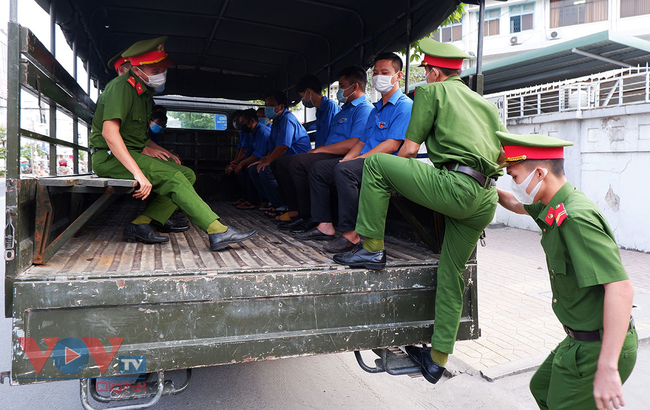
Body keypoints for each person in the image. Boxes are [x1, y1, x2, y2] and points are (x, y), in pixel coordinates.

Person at [333, 39, 506, 383]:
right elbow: (501, 156)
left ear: (433, 71)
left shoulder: (430, 94)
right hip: (484, 198)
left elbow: (409, 151)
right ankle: (437, 359)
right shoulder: (485, 105)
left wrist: (385, 187)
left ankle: (371, 249)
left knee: (378, 165)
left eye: (426, 72)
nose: (426, 77)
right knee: (452, 272)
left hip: (454, 187)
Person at [495, 131, 637, 410]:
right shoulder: (554, 206)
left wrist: (607, 368)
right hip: (580, 337)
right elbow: (515, 203)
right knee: (542, 388)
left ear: (538, 173)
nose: (514, 183)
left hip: (599, 346)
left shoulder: (574, 218)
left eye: (514, 176)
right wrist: (485, 187)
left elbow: (621, 289)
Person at [89, 36, 256, 250]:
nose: (161, 75)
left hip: (129, 153)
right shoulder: (121, 88)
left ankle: (141, 223)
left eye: (162, 70)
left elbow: (137, 136)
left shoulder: (143, 93)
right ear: (138, 69)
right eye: (155, 71)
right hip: (109, 158)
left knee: (186, 173)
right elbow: (110, 135)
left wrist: (160, 150)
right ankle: (217, 230)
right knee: (174, 177)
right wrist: (138, 174)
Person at [295, 53, 412, 253]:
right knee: (319, 169)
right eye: (375, 73)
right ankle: (324, 224)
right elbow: (362, 141)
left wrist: (356, 160)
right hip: (364, 159)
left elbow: (392, 144)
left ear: (398, 76)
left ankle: (352, 233)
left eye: (385, 72)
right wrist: (347, 159)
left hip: (385, 164)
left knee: (345, 171)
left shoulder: (404, 106)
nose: (378, 77)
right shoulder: (376, 110)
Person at [273, 67, 373, 233]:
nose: (339, 90)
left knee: (299, 164)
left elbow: (354, 143)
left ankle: (309, 216)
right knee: (281, 163)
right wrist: (318, 151)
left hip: (343, 154)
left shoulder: (363, 109)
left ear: (354, 87)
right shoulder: (344, 110)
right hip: (329, 151)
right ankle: (296, 212)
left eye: (342, 85)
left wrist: (318, 151)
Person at [248, 90, 311, 214]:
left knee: (266, 170)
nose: (267, 109)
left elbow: (283, 147)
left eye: (270, 105)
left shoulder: (287, 119)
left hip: (296, 158)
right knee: (253, 169)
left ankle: (283, 205)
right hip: (282, 158)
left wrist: (267, 162)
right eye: (266, 105)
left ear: (280, 107)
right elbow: (272, 147)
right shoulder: (276, 122)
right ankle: (271, 201)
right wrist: (265, 159)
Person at [233, 109, 271, 209]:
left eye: (243, 123)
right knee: (243, 167)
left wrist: (241, 164)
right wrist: (237, 162)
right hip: (260, 158)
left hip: (266, 158)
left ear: (251, 121)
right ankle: (246, 198)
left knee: (249, 168)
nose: (242, 125)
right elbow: (249, 151)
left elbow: (258, 154)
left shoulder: (262, 132)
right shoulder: (253, 132)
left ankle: (255, 201)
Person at [297, 75, 340, 149]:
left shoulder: (330, 107)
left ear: (309, 92)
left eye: (302, 96)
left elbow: (330, 138)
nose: (303, 100)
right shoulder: (319, 110)